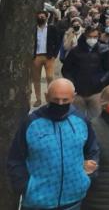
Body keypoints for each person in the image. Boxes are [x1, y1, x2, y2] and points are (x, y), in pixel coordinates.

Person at [8, 78, 99, 210]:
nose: (60, 103)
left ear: (73, 98)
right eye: (55, 100)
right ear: (46, 96)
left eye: (65, 100)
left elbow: (92, 150)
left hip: (74, 202)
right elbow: (15, 158)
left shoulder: (81, 121)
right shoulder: (31, 123)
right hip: (37, 203)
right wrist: (25, 186)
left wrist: (86, 178)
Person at [61, 26, 109, 119]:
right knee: (77, 119)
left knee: (96, 121)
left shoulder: (104, 51)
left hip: (96, 92)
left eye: (95, 37)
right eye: (90, 37)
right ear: (85, 37)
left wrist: (101, 81)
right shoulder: (75, 51)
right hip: (78, 93)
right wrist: (72, 83)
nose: (93, 39)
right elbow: (66, 69)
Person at [32, 9, 61, 107]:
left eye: (42, 16)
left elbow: (58, 42)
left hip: (49, 56)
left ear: (46, 17)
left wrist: (55, 55)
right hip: (36, 56)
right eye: (39, 16)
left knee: (50, 77)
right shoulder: (33, 29)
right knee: (36, 78)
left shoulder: (52, 28)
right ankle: (38, 99)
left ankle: (50, 98)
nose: (41, 18)